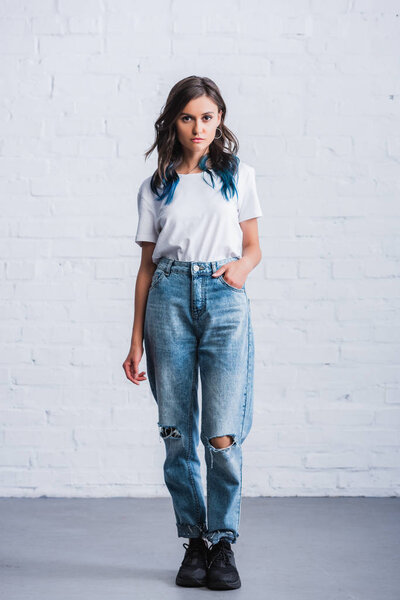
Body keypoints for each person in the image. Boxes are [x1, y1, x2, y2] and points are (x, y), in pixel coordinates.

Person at [123, 75, 263, 591]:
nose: (197, 127)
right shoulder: (156, 186)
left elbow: (253, 247)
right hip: (168, 301)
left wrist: (240, 270)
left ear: (220, 119)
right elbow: (144, 268)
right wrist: (135, 341)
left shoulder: (238, 176)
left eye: (207, 117)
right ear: (173, 122)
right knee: (177, 430)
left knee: (222, 433)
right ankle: (195, 541)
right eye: (187, 117)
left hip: (225, 301)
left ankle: (223, 540)